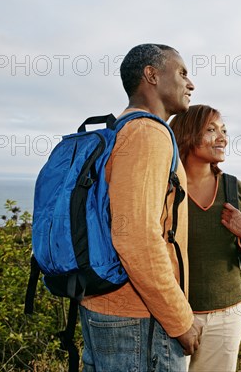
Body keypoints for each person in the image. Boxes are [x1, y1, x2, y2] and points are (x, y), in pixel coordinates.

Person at [79, 44, 203, 372]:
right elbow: (135, 236)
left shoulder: (118, 129)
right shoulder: (149, 133)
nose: (190, 84)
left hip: (108, 309)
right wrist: (179, 319)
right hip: (140, 322)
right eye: (182, 73)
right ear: (151, 75)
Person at [170, 104, 241, 371]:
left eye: (224, 130)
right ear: (187, 134)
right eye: (211, 130)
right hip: (175, 315)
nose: (222, 138)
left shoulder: (234, 189)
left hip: (227, 315)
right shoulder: (166, 188)